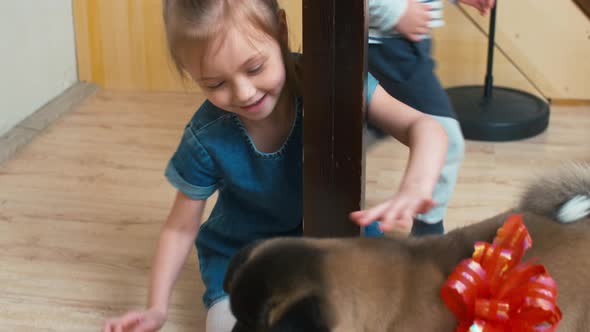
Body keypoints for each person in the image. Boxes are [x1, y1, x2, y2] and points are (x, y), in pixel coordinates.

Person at [102, 1, 447, 331]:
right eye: (215, 84)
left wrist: (415, 187)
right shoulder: (207, 137)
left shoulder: (329, 82)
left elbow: (426, 128)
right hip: (244, 257)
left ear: (281, 30)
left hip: (332, 239)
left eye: (254, 68)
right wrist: (156, 308)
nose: (244, 92)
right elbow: (179, 229)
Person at [365, 0, 494, 236]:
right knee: (448, 141)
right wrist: (395, 12)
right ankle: (427, 236)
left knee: (369, 125)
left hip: (402, 45)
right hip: (388, 48)